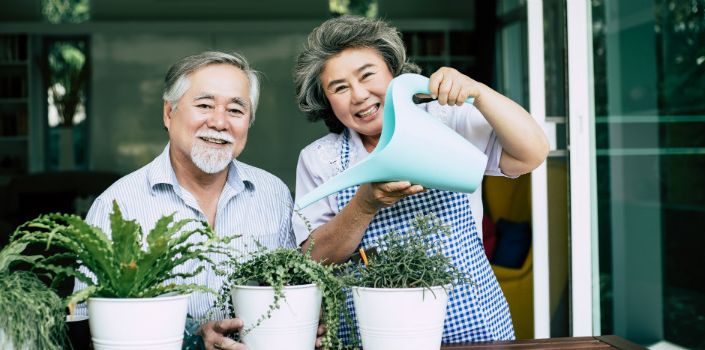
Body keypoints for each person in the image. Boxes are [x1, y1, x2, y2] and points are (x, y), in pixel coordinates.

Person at [291, 15, 550, 343]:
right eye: (339, 88)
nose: (358, 95)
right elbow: (313, 258)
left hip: (474, 329)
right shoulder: (319, 159)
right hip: (370, 335)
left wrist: (479, 93)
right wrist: (365, 203)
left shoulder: (446, 119)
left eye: (367, 75)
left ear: (393, 72)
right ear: (326, 100)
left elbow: (532, 153)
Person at [76, 51, 296, 350]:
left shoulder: (274, 194)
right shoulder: (117, 206)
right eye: (204, 105)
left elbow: (293, 293)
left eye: (235, 110)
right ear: (169, 113)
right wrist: (188, 337)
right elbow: (88, 325)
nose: (219, 122)